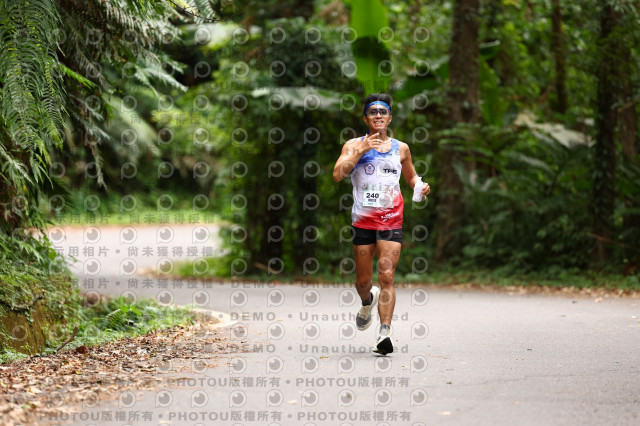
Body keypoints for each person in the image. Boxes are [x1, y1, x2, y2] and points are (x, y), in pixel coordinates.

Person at [332, 93, 431, 355]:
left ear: (389, 117)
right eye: (373, 112)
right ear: (366, 118)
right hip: (363, 222)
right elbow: (338, 174)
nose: (378, 115)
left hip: (390, 220)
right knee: (363, 281)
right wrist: (360, 151)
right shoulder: (353, 145)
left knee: (387, 276)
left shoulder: (402, 148)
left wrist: (420, 186)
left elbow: (411, 177)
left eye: (382, 112)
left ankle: (384, 332)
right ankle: (367, 301)